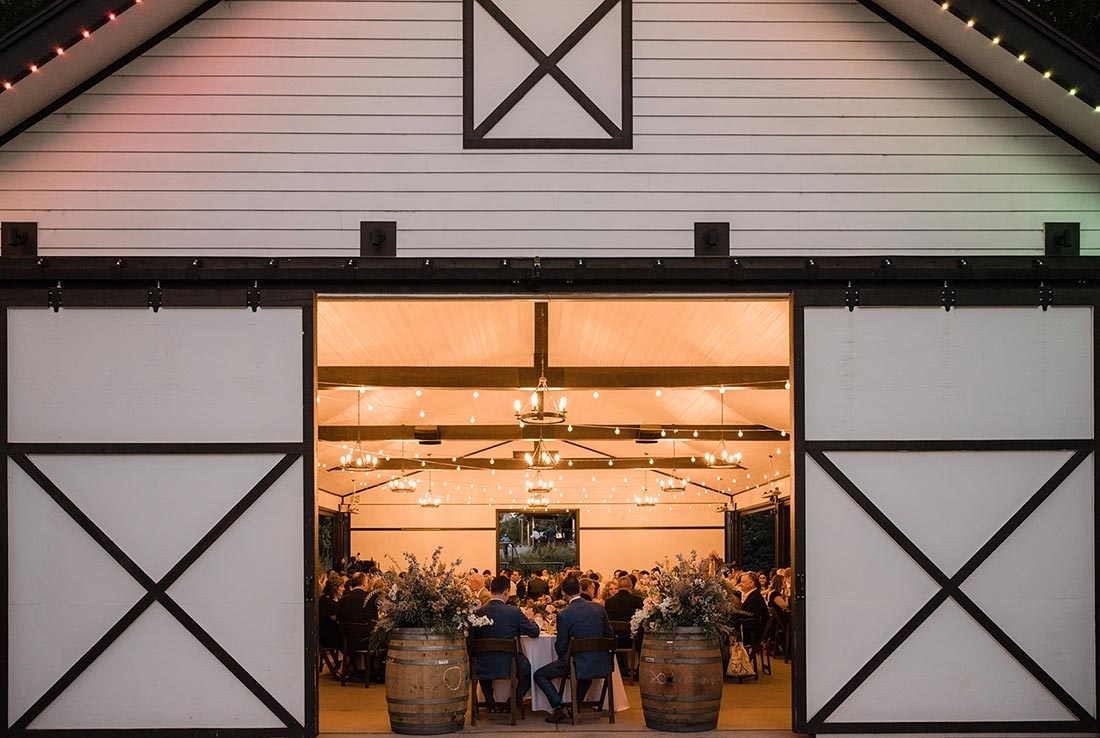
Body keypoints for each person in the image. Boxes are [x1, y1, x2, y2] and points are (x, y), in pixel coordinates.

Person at [533, 576, 614, 724]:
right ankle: (574, 707)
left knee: (539, 675)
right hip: (601, 662)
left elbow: (561, 646)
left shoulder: (565, 614)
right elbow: (609, 635)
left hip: (577, 662)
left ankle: (560, 706)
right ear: (580, 589)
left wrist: (564, 659)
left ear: (564, 593)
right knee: (586, 674)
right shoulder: (599, 608)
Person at [471, 575, 541, 711]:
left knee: (483, 660)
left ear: (491, 590)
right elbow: (534, 632)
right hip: (509, 663)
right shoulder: (514, 612)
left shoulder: (478, 613)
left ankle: (489, 699)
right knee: (531, 669)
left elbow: (472, 641)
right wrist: (531, 619)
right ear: (506, 592)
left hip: (481, 664)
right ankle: (514, 700)